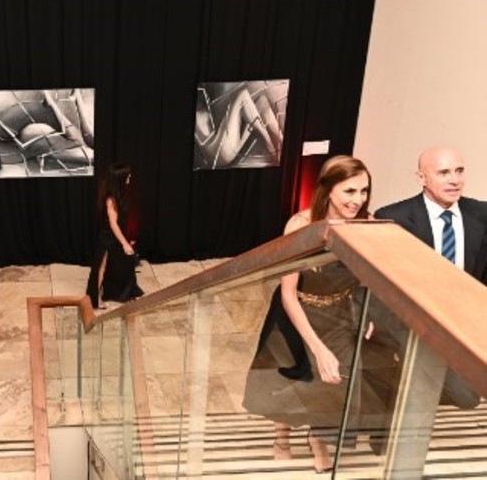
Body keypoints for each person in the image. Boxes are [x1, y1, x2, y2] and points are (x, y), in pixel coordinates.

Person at [242, 155, 375, 473]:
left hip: (338, 312)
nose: (358, 200)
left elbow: (368, 278)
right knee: (288, 375)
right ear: (328, 190)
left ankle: (318, 437)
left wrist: (368, 313)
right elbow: (288, 293)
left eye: (364, 191)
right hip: (296, 311)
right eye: (349, 191)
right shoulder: (300, 225)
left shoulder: (367, 224)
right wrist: (317, 348)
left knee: (333, 381)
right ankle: (282, 439)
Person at [372, 147, 487, 412]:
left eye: (459, 171)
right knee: (419, 394)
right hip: (414, 326)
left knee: (467, 397)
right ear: (421, 178)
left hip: (463, 325)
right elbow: (382, 283)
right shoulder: (393, 218)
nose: (455, 180)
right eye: (444, 173)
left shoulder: (482, 214)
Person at [85, 163, 144, 309]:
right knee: (102, 267)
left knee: (125, 264)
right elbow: (113, 224)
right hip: (108, 238)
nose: (130, 177)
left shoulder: (122, 193)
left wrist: (129, 239)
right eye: (127, 175)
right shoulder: (110, 199)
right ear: (120, 178)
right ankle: (95, 299)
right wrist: (124, 243)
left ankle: (125, 292)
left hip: (119, 236)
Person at [193, 81, 286, 169]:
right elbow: (205, 148)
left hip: (224, 148)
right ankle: (270, 146)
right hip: (219, 153)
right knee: (242, 95)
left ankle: (282, 146)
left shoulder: (205, 105)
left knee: (262, 102)